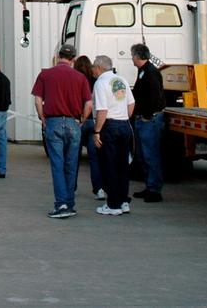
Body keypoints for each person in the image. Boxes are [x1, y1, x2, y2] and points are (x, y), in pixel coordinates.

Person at [30, 44, 93, 218]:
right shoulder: (81, 78)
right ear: (73, 59)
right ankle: (70, 203)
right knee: (71, 165)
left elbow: (37, 100)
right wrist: (82, 119)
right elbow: (89, 104)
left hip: (53, 121)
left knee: (57, 165)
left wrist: (42, 118)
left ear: (58, 56)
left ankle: (61, 204)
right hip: (73, 122)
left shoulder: (45, 74)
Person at [90, 55, 134, 216]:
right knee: (122, 165)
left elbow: (102, 110)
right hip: (124, 124)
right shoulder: (120, 80)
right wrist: (124, 115)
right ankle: (123, 201)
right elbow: (131, 103)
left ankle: (113, 204)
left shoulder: (100, 83)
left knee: (109, 165)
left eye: (93, 67)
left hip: (109, 126)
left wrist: (97, 131)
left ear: (99, 68)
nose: (92, 70)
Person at [130, 42, 165, 203]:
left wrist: (147, 115)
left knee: (151, 155)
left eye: (132, 55)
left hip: (149, 120)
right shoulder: (142, 71)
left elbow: (155, 96)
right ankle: (149, 186)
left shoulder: (151, 72)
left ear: (137, 56)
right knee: (143, 156)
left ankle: (155, 190)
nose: (132, 58)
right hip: (142, 119)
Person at [74, 55, 103, 202]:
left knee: (74, 157)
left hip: (79, 120)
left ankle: (71, 187)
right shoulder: (96, 81)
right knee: (94, 158)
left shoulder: (75, 80)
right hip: (93, 121)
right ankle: (98, 189)